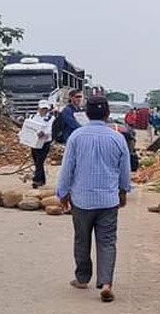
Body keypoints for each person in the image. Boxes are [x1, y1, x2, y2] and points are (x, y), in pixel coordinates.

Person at [57, 95, 133, 303]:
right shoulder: (117, 138)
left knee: (82, 238)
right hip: (108, 200)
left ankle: (82, 278)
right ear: (107, 114)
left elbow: (67, 168)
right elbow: (124, 169)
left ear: (86, 113)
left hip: (82, 199)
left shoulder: (76, 137)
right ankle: (106, 283)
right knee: (107, 241)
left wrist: (62, 193)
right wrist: (124, 191)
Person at [29, 100, 56, 188]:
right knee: (37, 161)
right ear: (38, 108)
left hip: (45, 142)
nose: (44, 110)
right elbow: (30, 127)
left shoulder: (51, 118)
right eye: (42, 108)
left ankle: (36, 180)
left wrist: (44, 133)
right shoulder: (32, 117)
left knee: (40, 161)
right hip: (34, 142)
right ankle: (42, 180)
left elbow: (51, 129)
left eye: (45, 109)